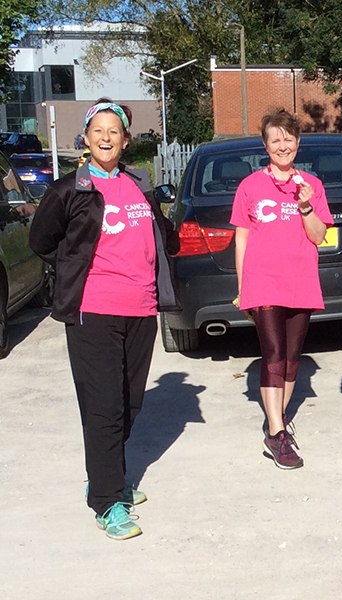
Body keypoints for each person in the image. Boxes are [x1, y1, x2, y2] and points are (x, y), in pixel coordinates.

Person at [29, 100, 179, 539]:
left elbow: (157, 233)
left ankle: (105, 473)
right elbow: (43, 240)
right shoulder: (68, 189)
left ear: (126, 139)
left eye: (115, 131)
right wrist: (76, 266)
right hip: (93, 310)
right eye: (99, 130)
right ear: (86, 138)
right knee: (104, 407)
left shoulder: (139, 183)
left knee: (131, 402)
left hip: (141, 309)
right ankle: (108, 500)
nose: (107, 137)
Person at [231, 108, 333, 470]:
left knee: (291, 360)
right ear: (265, 144)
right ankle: (276, 432)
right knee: (273, 354)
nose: (283, 145)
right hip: (262, 283)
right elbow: (241, 239)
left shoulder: (312, 186)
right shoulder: (250, 186)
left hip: (301, 282)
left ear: (298, 143)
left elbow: (320, 236)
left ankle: (279, 419)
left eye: (288, 138)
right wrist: (242, 287)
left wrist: (305, 206)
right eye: (275, 139)